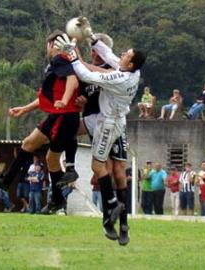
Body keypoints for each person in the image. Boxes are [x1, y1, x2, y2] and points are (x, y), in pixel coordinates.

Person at [55, 21, 145, 245]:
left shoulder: (120, 78)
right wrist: (91, 36)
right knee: (71, 131)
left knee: (105, 168)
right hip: (107, 119)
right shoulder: (129, 69)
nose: (121, 54)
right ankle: (72, 169)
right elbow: (110, 55)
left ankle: (115, 209)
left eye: (127, 54)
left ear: (130, 62)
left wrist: (72, 55)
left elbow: (87, 75)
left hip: (109, 123)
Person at [0, 30, 81, 217]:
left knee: (51, 159)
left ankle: (58, 198)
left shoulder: (60, 59)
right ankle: (6, 180)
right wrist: (24, 109)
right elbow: (48, 96)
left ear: (52, 44)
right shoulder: (58, 62)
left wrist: (65, 100)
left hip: (64, 115)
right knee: (28, 143)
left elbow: (73, 80)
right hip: (57, 114)